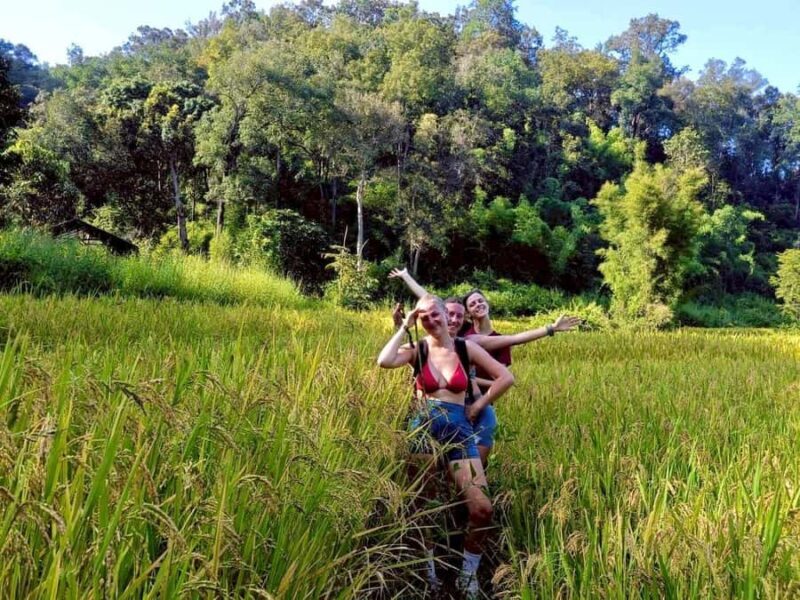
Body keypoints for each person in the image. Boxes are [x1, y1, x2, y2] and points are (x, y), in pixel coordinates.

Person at [378, 294, 514, 597]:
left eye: (434, 313)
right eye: (423, 317)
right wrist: (405, 326)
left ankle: (467, 574)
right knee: (423, 506)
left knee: (482, 508)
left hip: (459, 429)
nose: (430, 320)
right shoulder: (418, 349)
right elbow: (384, 361)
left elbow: (505, 377)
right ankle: (429, 572)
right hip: (423, 430)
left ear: (445, 312)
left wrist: (478, 406)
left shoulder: (466, 348)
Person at [389, 268, 580, 467]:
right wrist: (406, 279)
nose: (453, 319)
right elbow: (427, 300)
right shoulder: (428, 340)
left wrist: (550, 329)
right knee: (428, 459)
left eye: (458, 316)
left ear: (465, 317)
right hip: (434, 406)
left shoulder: (470, 341)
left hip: (473, 402)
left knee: (472, 461)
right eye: (448, 314)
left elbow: (514, 339)